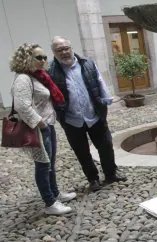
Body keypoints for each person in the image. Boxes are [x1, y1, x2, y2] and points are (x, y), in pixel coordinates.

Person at [48, 36, 125, 192]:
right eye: (59, 50)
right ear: (54, 53)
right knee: (82, 152)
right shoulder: (51, 71)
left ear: (71, 48)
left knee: (106, 146)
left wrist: (106, 99)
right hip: (71, 120)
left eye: (66, 48)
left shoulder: (87, 63)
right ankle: (93, 179)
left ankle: (111, 174)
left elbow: (99, 80)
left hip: (94, 114)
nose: (64, 52)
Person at [9, 43, 76, 214]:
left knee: (50, 163)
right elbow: (21, 106)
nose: (44, 60)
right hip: (38, 128)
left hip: (47, 125)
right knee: (43, 165)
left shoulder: (38, 76)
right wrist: (41, 123)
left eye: (45, 57)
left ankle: (55, 193)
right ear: (26, 58)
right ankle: (50, 203)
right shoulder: (23, 78)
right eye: (39, 57)